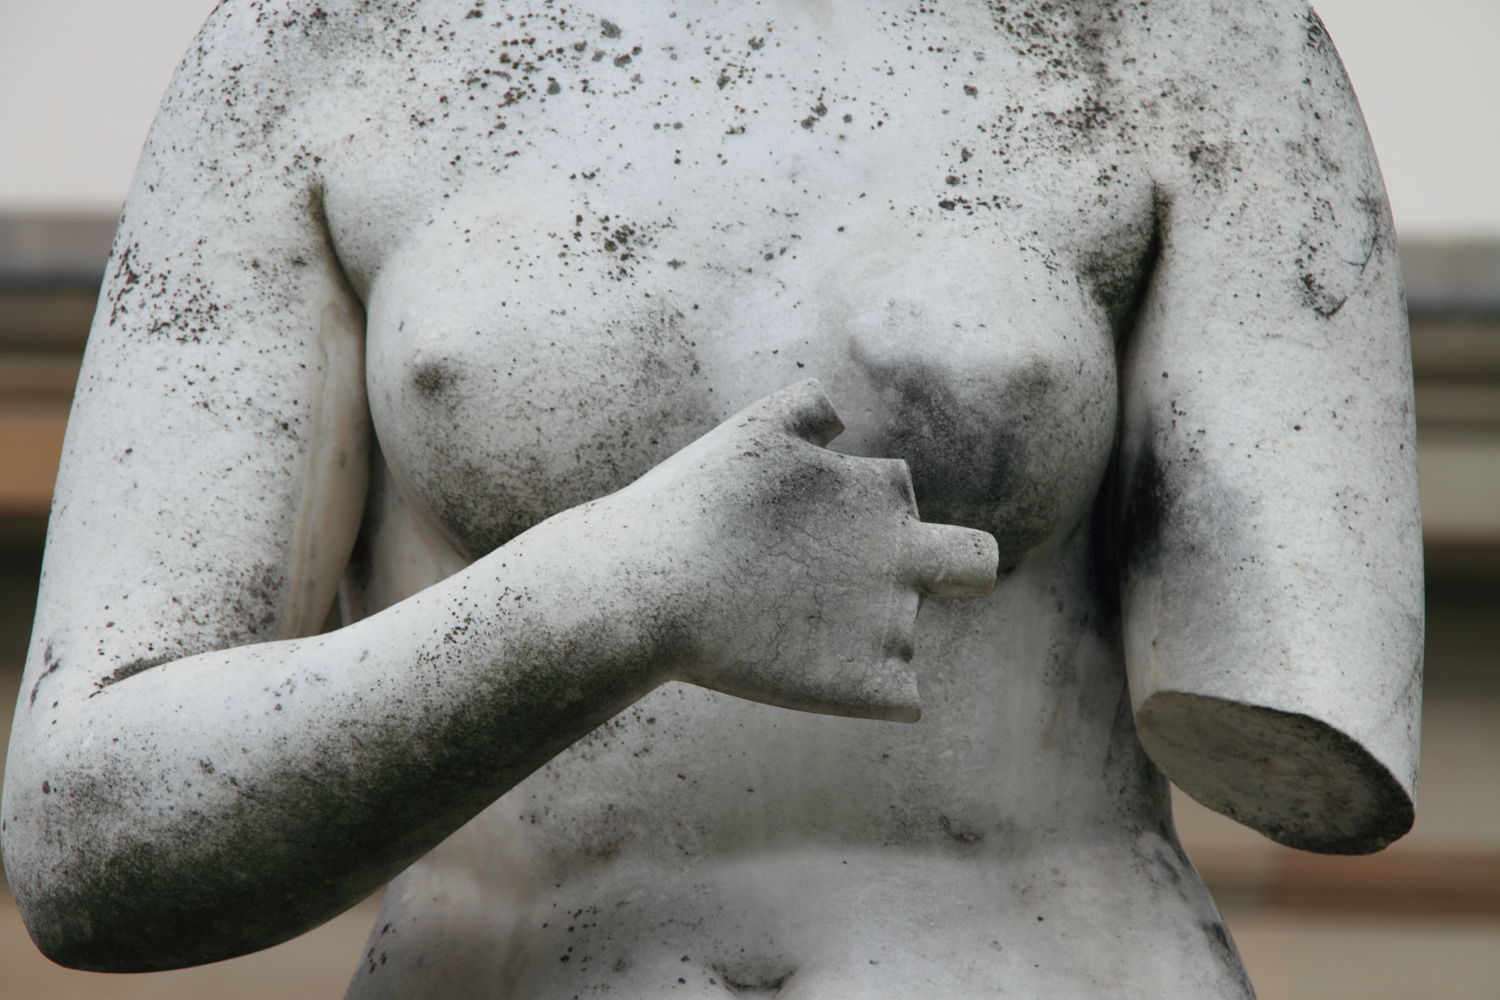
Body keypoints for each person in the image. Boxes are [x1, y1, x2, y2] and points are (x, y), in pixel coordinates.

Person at [3, 0, 1423, 995]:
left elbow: (1306, 727)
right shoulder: (322, 48)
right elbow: (84, 836)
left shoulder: (1182, 42)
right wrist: (620, 597)